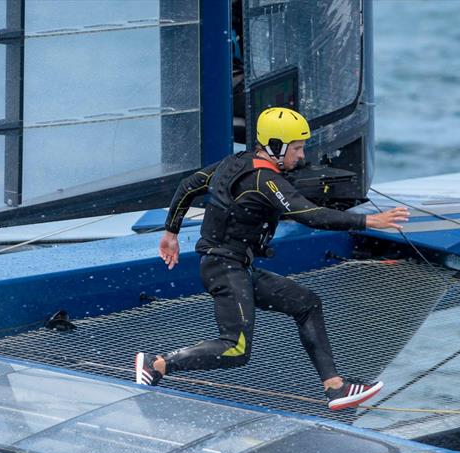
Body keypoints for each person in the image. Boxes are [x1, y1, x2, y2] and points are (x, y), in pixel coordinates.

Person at [135, 107, 409, 410]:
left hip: (236, 266)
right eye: (297, 148)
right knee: (236, 348)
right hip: (224, 267)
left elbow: (189, 185)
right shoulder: (265, 180)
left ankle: (336, 388)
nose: (301, 156)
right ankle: (156, 364)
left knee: (306, 303)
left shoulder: (234, 162)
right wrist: (370, 221)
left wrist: (171, 232)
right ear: (276, 146)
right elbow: (310, 215)